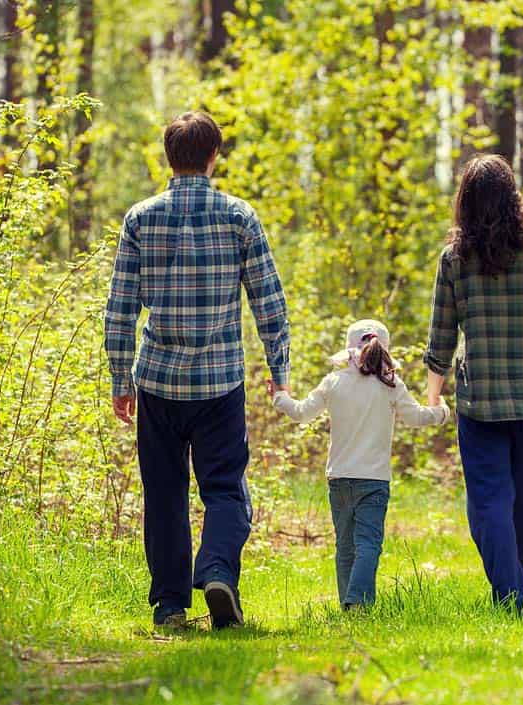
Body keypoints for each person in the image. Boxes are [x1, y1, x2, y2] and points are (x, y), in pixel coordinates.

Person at [104, 111, 290, 630]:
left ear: (169, 157)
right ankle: (216, 571)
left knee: (164, 493)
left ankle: (169, 606)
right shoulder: (239, 217)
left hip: (158, 383)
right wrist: (279, 367)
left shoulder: (140, 219)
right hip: (220, 384)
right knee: (225, 488)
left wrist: (121, 380)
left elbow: (120, 308)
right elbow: (269, 301)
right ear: (214, 156)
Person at [423, 154, 523, 613]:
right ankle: (511, 592)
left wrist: (434, 396)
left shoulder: (454, 260)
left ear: (467, 203)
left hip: (481, 405)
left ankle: (509, 594)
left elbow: (441, 333)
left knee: (487, 504)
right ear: (512, 198)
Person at [268, 320, 449, 608]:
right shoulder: (391, 385)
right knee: (368, 544)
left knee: (345, 547)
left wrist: (279, 396)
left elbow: (301, 413)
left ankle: (349, 604)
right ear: (384, 350)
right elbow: (416, 417)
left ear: (348, 349)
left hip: (338, 477)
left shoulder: (334, 381)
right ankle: (358, 603)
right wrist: (441, 412)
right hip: (374, 480)